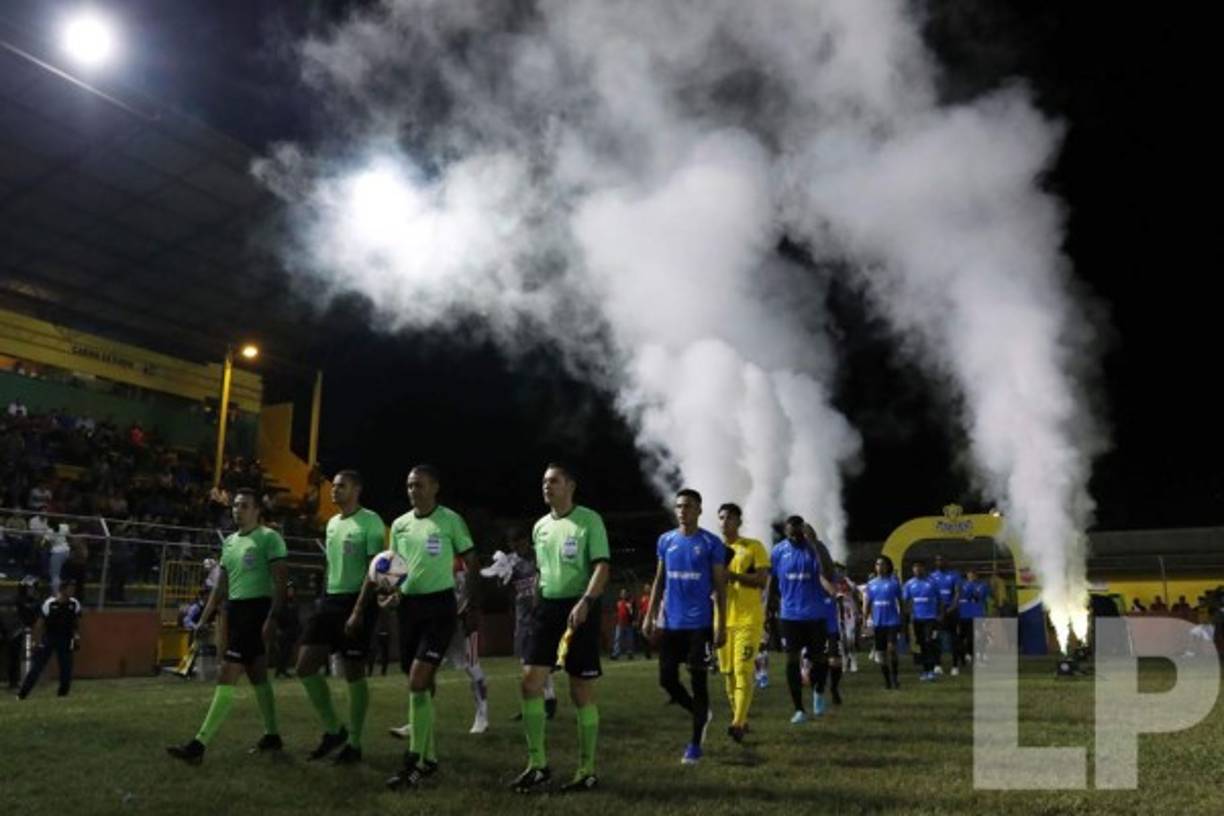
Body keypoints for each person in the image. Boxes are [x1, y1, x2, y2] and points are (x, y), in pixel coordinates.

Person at [376, 465, 481, 791]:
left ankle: (414, 762)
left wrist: (471, 602)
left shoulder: (450, 520)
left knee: (419, 680)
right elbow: (396, 569)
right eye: (409, 486)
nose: (413, 491)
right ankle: (430, 757)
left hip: (440, 607)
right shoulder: (399, 525)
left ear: (435, 487)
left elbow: (472, 560)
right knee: (415, 681)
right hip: (409, 608)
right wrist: (392, 595)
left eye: (419, 485)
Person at [166, 489, 289, 764]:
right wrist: (204, 618)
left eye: (245, 506)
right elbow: (220, 585)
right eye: (235, 506)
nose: (238, 510)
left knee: (227, 672)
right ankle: (272, 735)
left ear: (258, 510)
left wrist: (273, 617)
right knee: (258, 675)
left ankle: (199, 745)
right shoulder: (230, 542)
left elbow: (281, 580)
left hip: (256, 611)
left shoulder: (269, 538)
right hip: (236, 611)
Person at [511, 463, 610, 793]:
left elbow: (602, 567)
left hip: (580, 607)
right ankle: (538, 765)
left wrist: (585, 602)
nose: (547, 486)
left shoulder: (589, 520)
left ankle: (587, 770)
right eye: (543, 482)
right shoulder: (540, 527)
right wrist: (535, 597)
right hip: (547, 610)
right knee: (530, 683)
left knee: (579, 689)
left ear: (571, 485)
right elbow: (541, 570)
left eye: (553, 481)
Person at [296, 470, 386, 765]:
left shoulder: (370, 521)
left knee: (353, 672)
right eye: (332, 486)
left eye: (341, 486)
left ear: (357, 489)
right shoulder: (332, 524)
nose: (333, 491)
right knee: (305, 666)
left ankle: (355, 744)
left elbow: (374, 572)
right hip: (330, 600)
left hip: (358, 601)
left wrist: (359, 610)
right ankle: (335, 729)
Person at [643, 488, 727, 765]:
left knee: (698, 681)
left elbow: (720, 586)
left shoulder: (711, 543)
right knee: (666, 679)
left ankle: (694, 746)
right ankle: (699, 712)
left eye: (688, 506)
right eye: (679, 506)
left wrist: (721, 624)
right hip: (672, 624)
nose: (682, 511)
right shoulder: (665, 541)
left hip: (700, 625)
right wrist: (649, 614)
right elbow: (659, 580)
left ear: (699, 510)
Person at [770, 517, 837, 723]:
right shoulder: (779, 551)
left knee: (819, 659)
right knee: (791, 659)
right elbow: (772, 581)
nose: (795, 537)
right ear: (786, 533)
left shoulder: (816, 549)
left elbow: (827, 574)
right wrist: (769, 608)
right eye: (790, 534)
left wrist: (815, 546)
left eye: (798, 533)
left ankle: (818, 691)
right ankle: (799, 709)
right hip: (790, 616)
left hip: (815, 614)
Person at [714, 502, 769, 742]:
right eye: (721, 518)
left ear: (739, 521)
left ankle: (736, 723)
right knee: (728, 674)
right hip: (723, 620)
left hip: (749, 619)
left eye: (729, 518)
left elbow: (761, 580)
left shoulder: (753, 547)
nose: (724, 522)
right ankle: (742, 718)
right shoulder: (714, 550)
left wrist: (733, 576)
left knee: (744, 670)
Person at [16, 582, 81, 699]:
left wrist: (76, 636)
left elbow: (75, 622)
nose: (72, 591)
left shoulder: (74, 603)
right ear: (62, 590)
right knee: (37, 667)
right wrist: (36, 641)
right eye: (70, 589)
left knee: (66, 667)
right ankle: (22, 694)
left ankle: (63, 694)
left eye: (73, 589)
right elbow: (39, 624)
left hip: (66, 638)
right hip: (50, 637)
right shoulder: (49, 603)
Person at [863, 556, 904, 689]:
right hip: (878, 623)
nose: (879, 567)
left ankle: (895, 677)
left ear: (887, 567)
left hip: (892, 621)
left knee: (891, 649)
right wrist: (865, 620)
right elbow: (868, 604)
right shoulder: (871, 584)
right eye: (877, 564)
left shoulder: (894, 583)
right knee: (881, 654)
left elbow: (901, 601)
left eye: (882, 564)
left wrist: (903, 616)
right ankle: (887, 681)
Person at [903, 560, 941, 682]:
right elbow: (905, 601)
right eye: (915, 568)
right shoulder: (909, 584)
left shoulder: (932, 582)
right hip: (917, 619)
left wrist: (939, 615)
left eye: (920, 568)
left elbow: (940, 600)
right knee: (922, 644)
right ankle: (926, 670)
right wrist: (908, 615)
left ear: (924, 569)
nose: (917, 570)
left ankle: (932, 670)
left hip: (930, 618)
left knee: (929, 641)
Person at [928, 555, 960, 676]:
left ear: (947, 561)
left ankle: (955, 666)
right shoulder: (931, 576)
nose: (939, 562)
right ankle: (937, 665)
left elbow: (957, 593)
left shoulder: (954, 575)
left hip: (951, 611)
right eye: (937, 560)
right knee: (935, 638)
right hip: (936, 611)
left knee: (954, 639)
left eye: (942, 560)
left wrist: (951, 608)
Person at [953, 568, 990, 669]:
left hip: (977, 614)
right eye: (970, 574)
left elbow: (982, 598)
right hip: (963, 614)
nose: (972, 576)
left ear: (977, 575)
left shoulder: (983, 585)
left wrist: (986, 613)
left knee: (977, 637)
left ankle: (978, 657)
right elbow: (957, 597)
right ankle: (965, 656)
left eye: (974, 574)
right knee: (962, 638)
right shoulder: (961, 584)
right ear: (967, 575)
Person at [612, 588, 636, 660]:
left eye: (625, 593)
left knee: (629, 639)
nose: (623, 594)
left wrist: (634, 620)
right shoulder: (617, 602)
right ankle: (616, 653)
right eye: (622, 593)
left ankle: (630, 653)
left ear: (627, 594)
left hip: (629, 623)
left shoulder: (630, 602)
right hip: (619, 623)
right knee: (617, 639)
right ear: (620, 594)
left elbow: (633, 612)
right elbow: (615, 612)